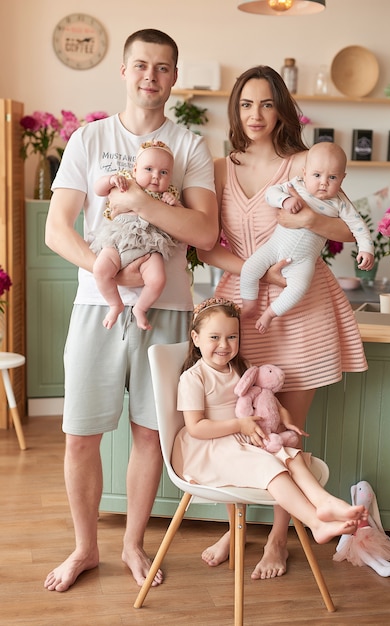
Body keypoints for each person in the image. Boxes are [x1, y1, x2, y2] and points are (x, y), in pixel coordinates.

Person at [44, 28, 218, 592]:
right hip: (97, 306)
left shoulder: (189, 146)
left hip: (164, 309)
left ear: (174, 76)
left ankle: (132, 547)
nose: (151, 76)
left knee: (150, 436)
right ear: (124, 71)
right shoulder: (88, 140)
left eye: (163, 67)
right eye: (141, 65)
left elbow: (205, 230)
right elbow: (55, 230)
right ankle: (85, 548)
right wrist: (106, 267)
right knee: (79, 436)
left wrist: (141, 201)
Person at [198, 65, 368, 580]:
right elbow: (207, 243)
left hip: (303, 306)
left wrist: (307, 220)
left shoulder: (305, 164)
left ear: (282, 110)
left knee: (286, 430)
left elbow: (343, 225)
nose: (256, 115)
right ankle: (239, 524)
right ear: (235, 109)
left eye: (267, 104)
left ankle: (277, 538)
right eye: (246, 104)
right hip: (244, 305)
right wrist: (261, 273)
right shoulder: (219, 167)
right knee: (244, 423)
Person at [172, 297, 367, 546]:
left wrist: (284, 416)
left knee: (290, 454)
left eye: (232, 337)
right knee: (272, 468)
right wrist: (239, 426)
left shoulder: (242, 369)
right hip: (209, 448)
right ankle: (316, 523)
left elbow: (266, 398)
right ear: (196, 338)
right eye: (214, 337)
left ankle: (325, 502)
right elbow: (196, 427)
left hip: (243, 438)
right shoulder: (193, 377)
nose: (224, 345)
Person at [240, 141, 374, 333]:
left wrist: (366, 249)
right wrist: (285, 200)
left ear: (342, 179)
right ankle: (249, 304)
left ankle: (270, 313)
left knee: (298, 289)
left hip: (303, 260)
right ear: (304, 173)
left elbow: (358, 226)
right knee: (249, 269)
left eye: (332, 177)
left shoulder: (340, 204)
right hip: (274, 248)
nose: (323, 182)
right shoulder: (296, 186)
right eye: (317, 175)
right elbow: (270, 193)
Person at [92, 140, 181, 330]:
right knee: (100, 269)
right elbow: (98, 190)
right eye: (148, 169)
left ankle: (140, 308)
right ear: (134, 170)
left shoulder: (169, 193)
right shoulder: (125, 181)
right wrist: (110, 180)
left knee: (158, 279)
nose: (156, 176)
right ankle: (115, 304)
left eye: (163, 172)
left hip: (150, 244)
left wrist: (175, 204)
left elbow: (181, 219)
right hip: (118, 239)